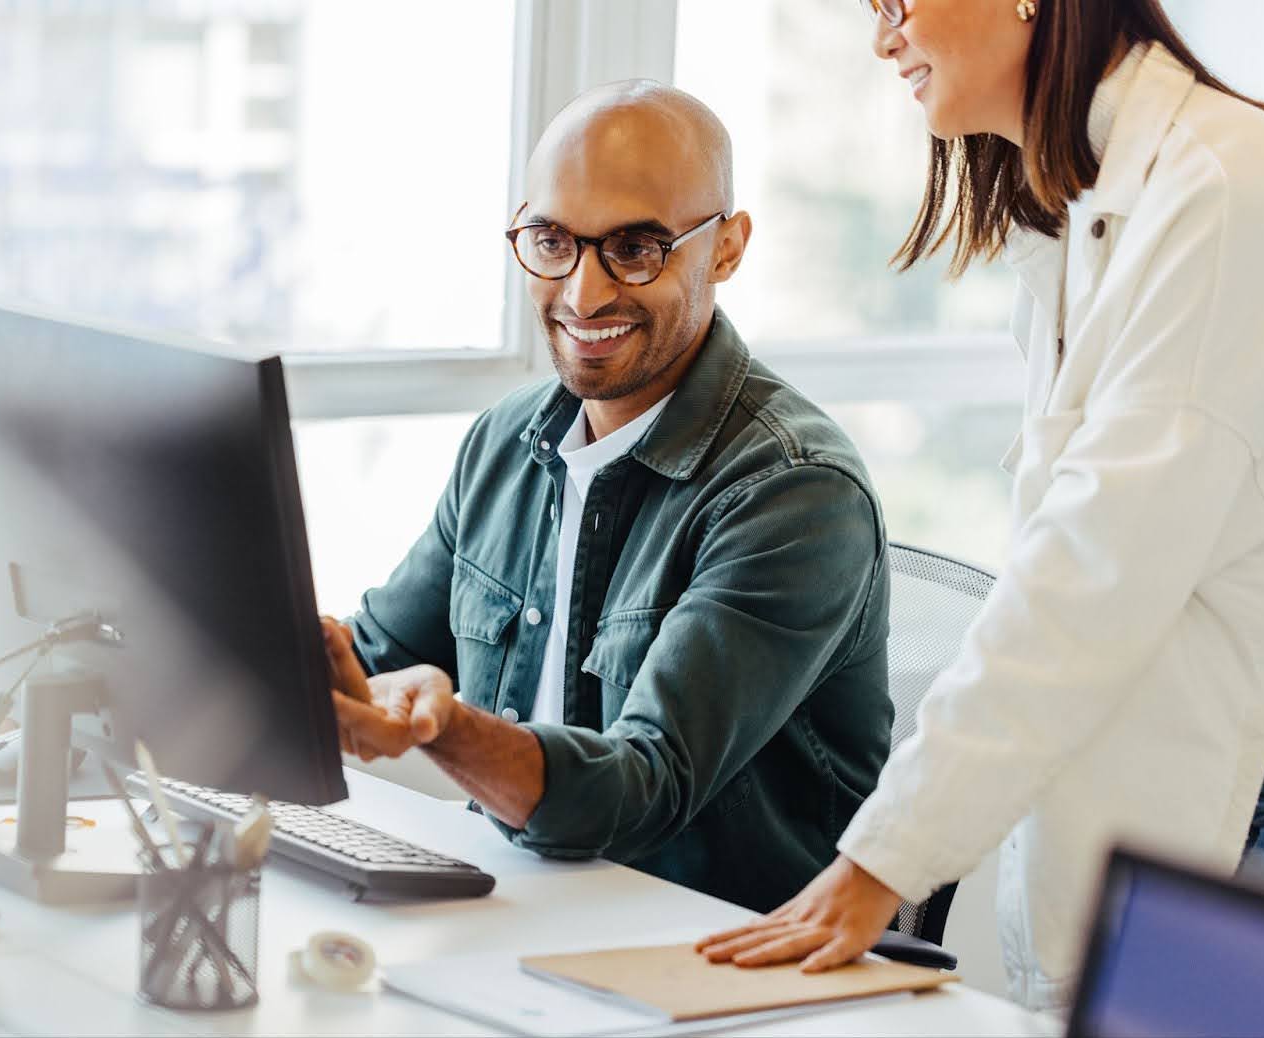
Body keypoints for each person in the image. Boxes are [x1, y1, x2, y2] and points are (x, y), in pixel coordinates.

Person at [698, 0, 1264, 1011]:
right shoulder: (1090, 206)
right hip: (1188, 795)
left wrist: (881, 862)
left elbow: (1087, 573)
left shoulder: (1219, 191)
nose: (880, 37)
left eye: (897, 1)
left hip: (1259, 811)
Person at [320, 80, 894, 915]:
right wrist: (274, 646)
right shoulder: (507, 442)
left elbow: (642, 791)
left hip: (709, 966)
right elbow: (371, 658)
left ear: (726, 248)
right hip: (516, 921)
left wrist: (444, 728)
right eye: (553, 240)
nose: (584, 294)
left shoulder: (795, 493)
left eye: (635, 248)